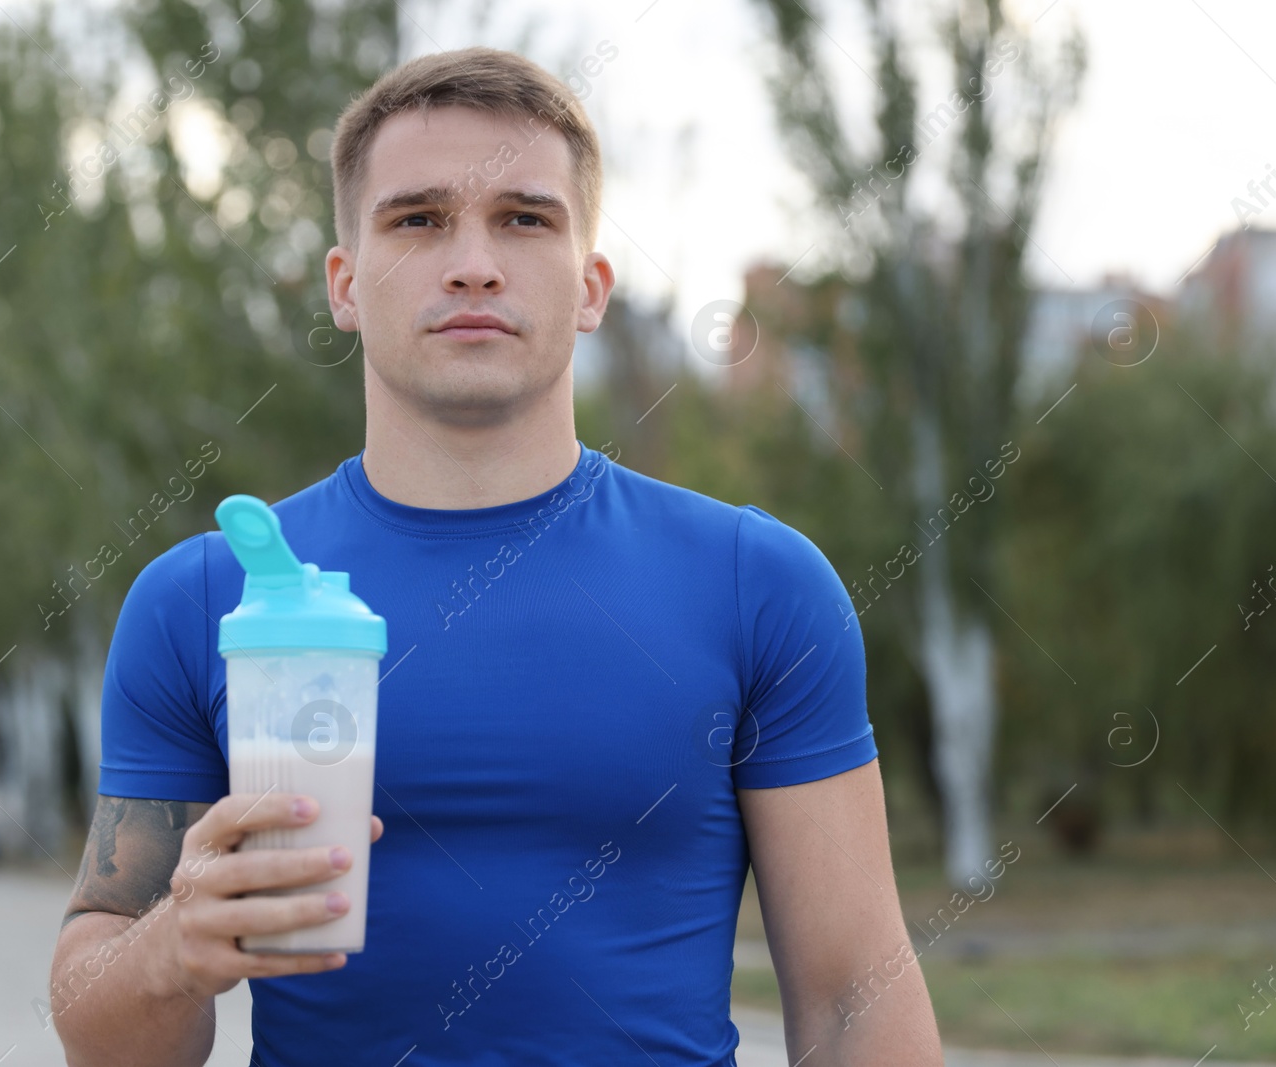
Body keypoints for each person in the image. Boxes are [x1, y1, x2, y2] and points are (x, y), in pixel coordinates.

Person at [49, 44, 943, 1067]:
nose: (472, 260)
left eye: (524, 217)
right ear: (344, 285)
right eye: (417, 219)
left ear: (592, 284)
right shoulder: (204, 597)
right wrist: (173, 946)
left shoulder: (759, 584)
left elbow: (852, 997)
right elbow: (100, 1029)